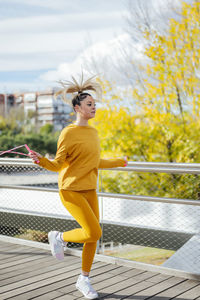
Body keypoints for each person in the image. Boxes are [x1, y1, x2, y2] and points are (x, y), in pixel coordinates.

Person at [29, 75, 127, 299]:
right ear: (77, 107)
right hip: (71, 190)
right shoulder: (68, 133)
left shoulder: (93, 133)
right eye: (89, 104)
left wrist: (120, 162)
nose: (94, 108)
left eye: (95, 104)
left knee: (92, 237)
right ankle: (60, 237)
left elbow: (95, 162)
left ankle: (84, 279)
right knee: (94, 232)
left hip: (90, 189)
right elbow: (57, 165)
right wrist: (41, 161)